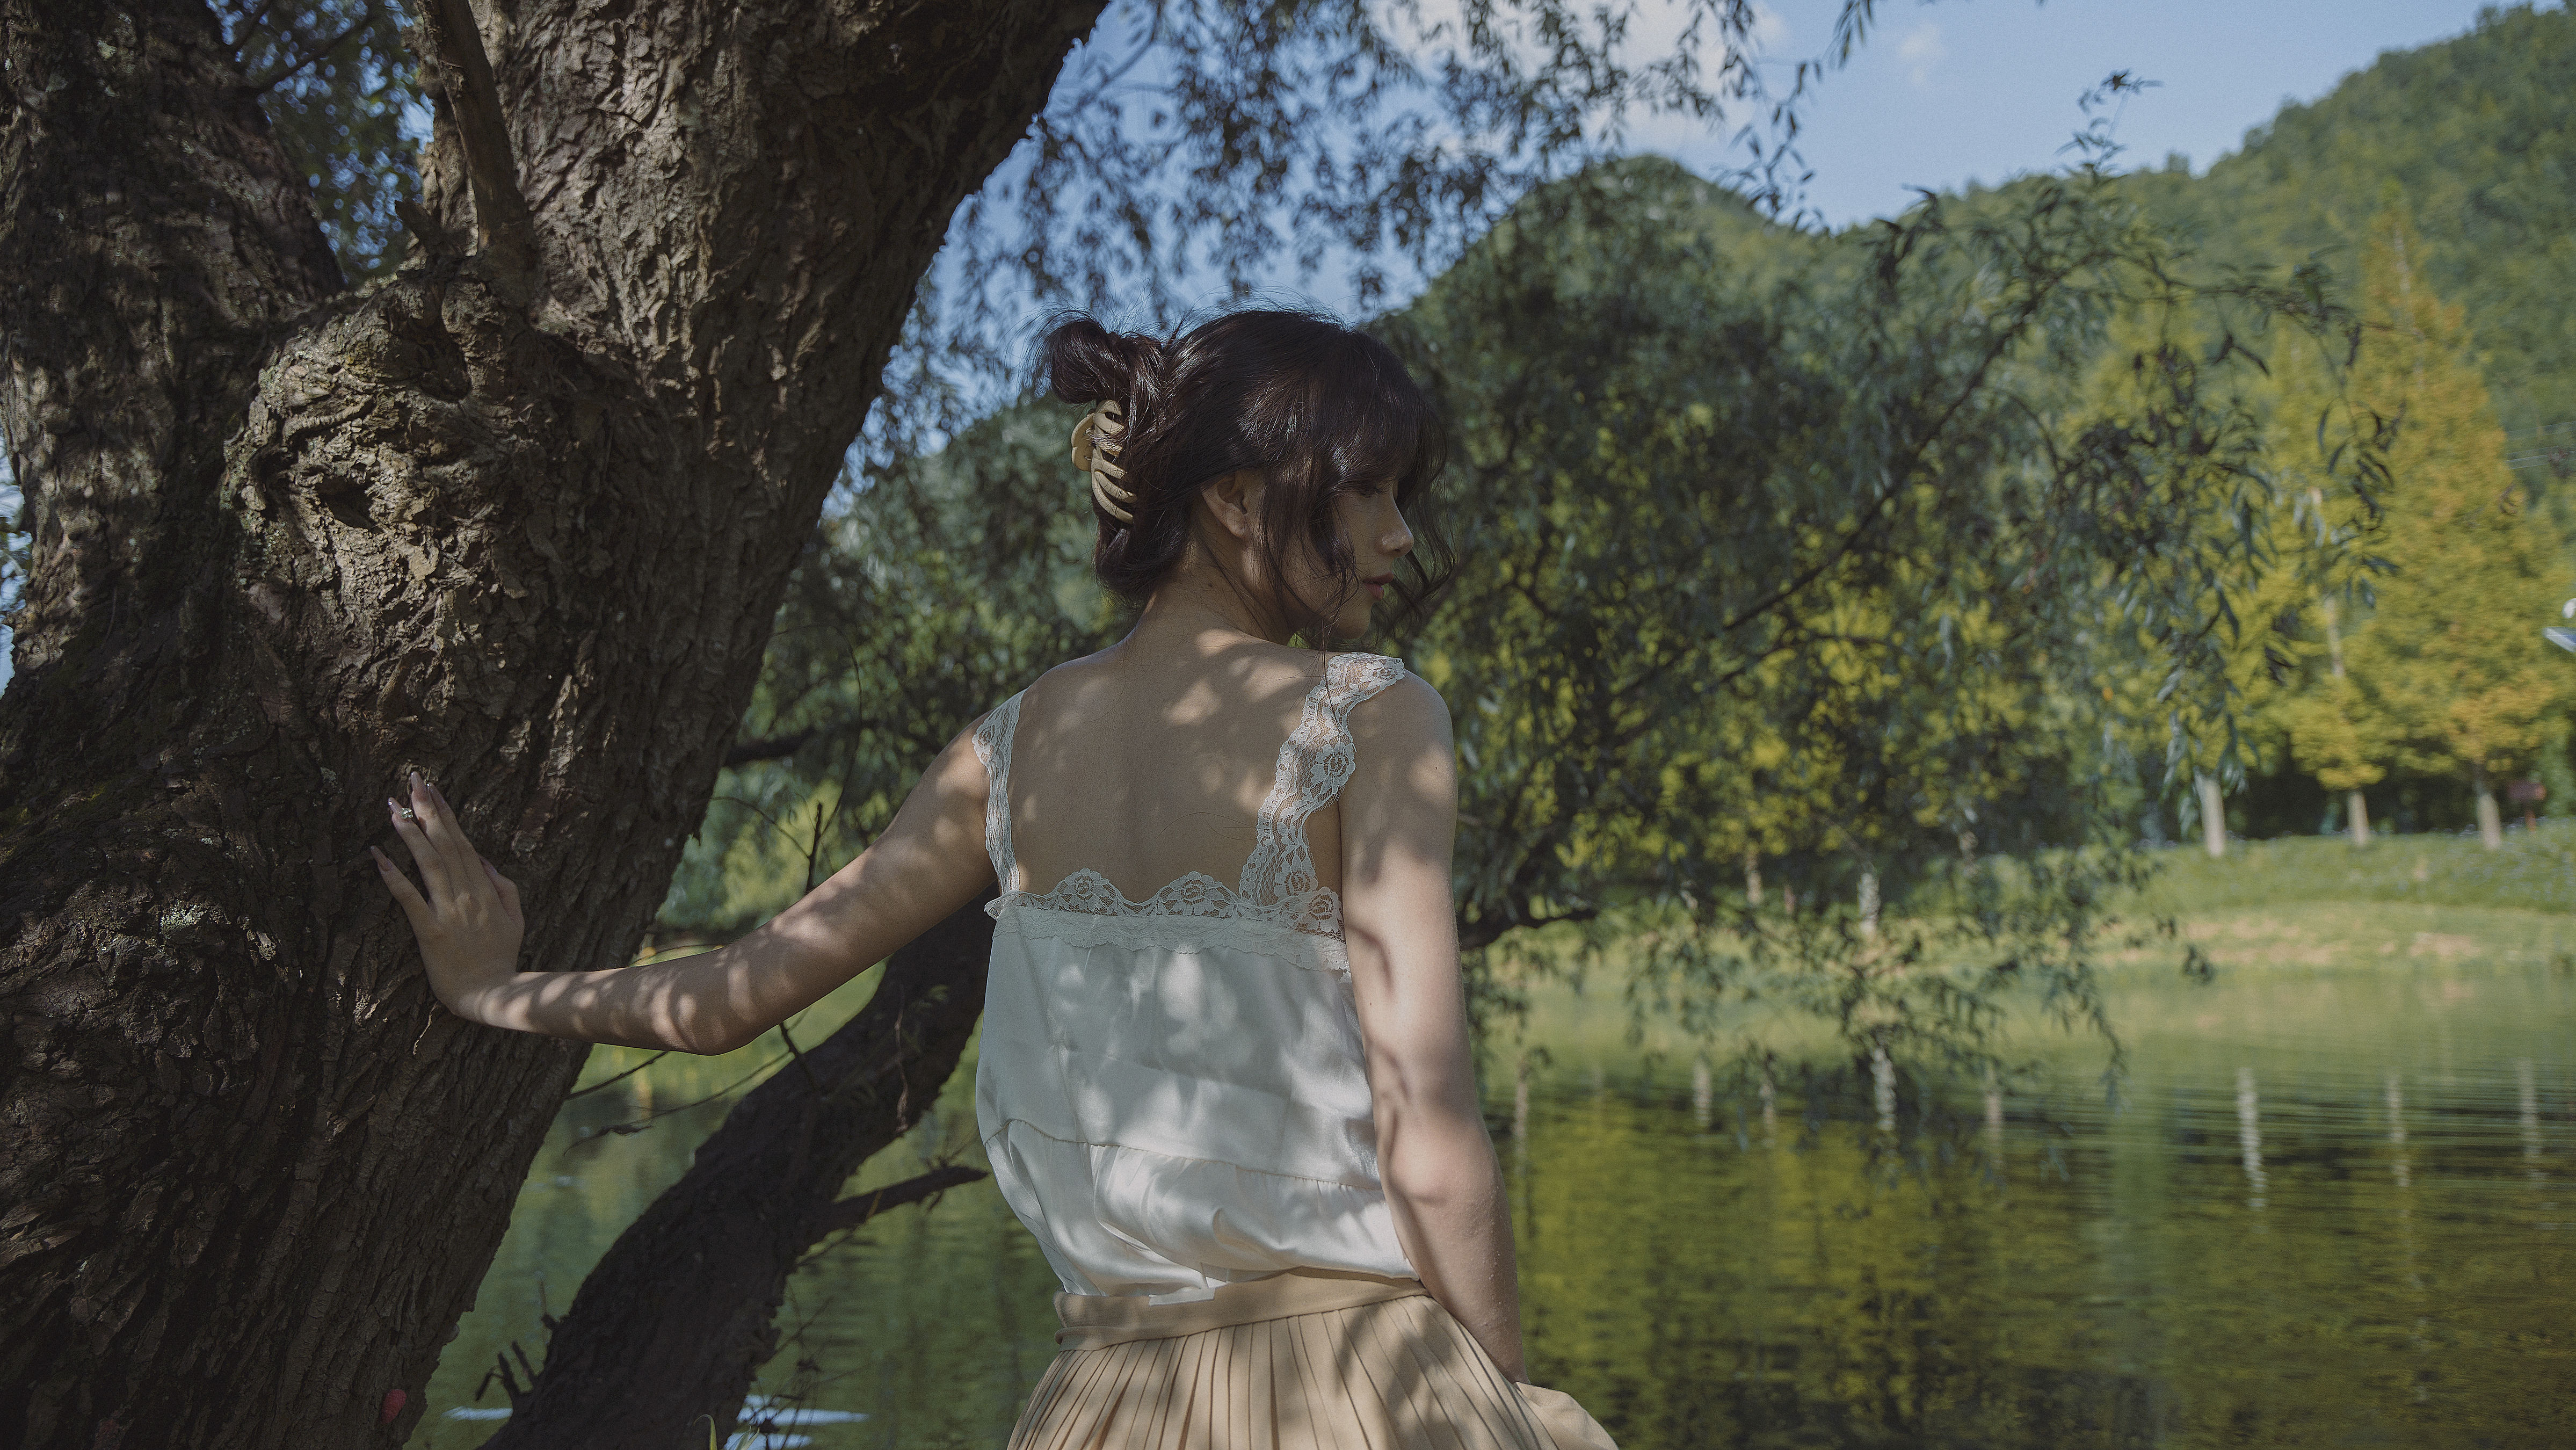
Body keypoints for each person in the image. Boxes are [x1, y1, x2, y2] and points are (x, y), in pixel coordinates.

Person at [375, 308, 1615, 1450]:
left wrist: (495, 987)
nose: (1399, 534)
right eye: (1369, 489)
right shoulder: (1371, 716)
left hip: (1105, 1402)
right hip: (1361, 1390)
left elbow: (724, 1000)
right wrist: (1502, 1400)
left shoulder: (1004, 752)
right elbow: (1430, 1139)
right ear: (1239, 500)